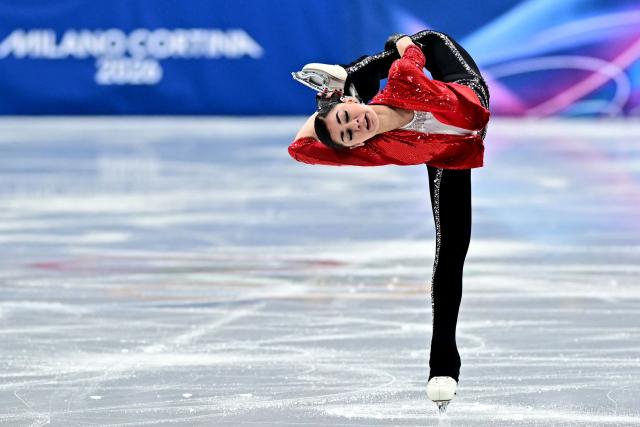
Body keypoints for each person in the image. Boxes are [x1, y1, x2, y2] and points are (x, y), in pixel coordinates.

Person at [289, 30, 490, 412]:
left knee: (424, 39)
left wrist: (398, 44)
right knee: (450, 253)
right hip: (453, 154)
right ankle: (443, 363)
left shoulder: (403, 80)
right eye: (346, 135)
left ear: (350, 103)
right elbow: (300, 147)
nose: (355, 128)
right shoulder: (370, 148)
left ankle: (346, 76)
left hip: (466, 90)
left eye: (347, 117)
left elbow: (412, 50)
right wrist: (329, 118)